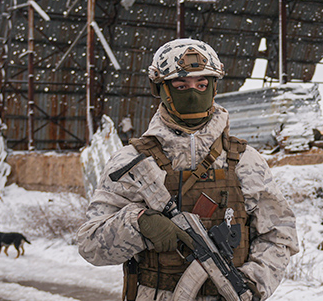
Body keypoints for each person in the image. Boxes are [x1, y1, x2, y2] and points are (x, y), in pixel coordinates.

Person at [77, 38, 298, 301]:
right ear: (160, 89)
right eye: (181, 86)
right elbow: (91, 245)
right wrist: (136, 224)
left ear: (214, 88)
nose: (193, 94)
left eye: (202, 85)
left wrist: (251, 284)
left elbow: (280, 234)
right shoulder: (131, 161)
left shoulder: (245, 161)